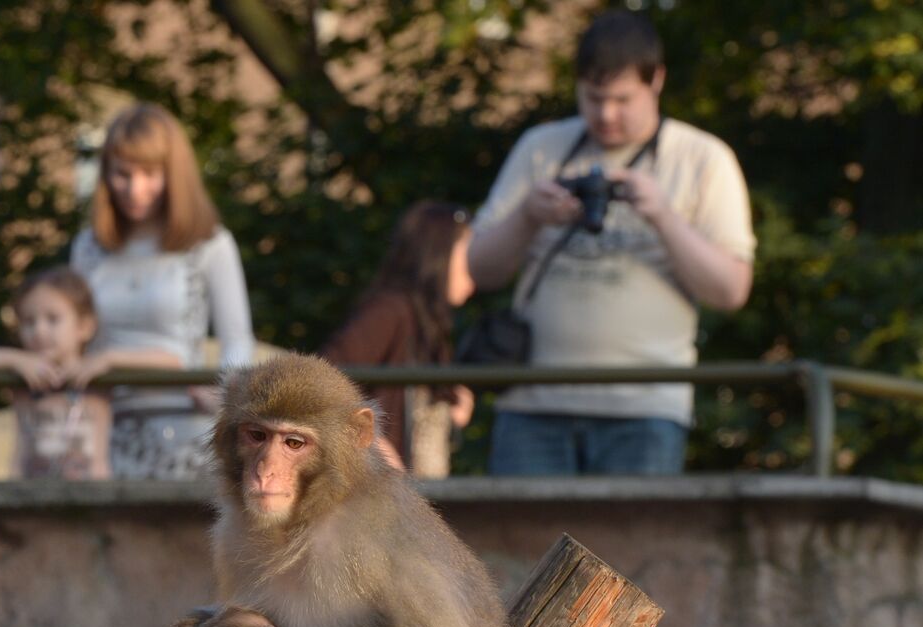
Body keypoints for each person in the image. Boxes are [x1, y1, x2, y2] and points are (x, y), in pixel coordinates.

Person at [468, 10, 755, 475]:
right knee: (522, 550)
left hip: (645, 412)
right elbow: (479, 270)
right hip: (533, 406)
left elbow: (731, 291)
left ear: (656, 80)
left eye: (623, 99)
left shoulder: (703, 159)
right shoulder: (541, 147)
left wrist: (663, 216)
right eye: (593, 98)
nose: (606, 115)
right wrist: (527, 217)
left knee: (632, 551)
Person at [70, 103, 255, 480]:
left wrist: (225, 395)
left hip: (185, 428)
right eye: (123, 174)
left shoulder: (210, 244)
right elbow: (74, 339)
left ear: (175, 175)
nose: (135, 189)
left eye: (150, 174)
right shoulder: (88, 247)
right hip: (102, 430)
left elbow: (236, 341)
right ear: (105, 175)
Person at [321, 201, 477, 478]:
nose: (475, 266)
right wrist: (373, 444)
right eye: (467, 253)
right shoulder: (392, 311)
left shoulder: (428, 323)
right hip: (381, 502)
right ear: (439, 254)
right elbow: (323, 380)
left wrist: (452, 399)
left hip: (411, 503)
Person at [0, 266, 112, 480]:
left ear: (85, 327)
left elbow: (165, 358)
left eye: (52, 319)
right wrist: (16, 359)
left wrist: (108, 360)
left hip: (90, 501)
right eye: (29, 322)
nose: (39, 331)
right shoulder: (23, 377)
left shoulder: (97, 377)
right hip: (30, 497)